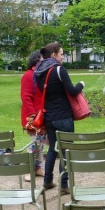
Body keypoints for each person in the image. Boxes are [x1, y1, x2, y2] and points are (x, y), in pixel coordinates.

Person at [34, 43, 85, 194]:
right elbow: (72, 91)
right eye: (61, 54)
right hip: (63, 116)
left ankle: (47, 181)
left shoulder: (39, 71)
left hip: (49, 115)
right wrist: (81, 85)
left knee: (52, 149)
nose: (63, 56)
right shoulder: (58, 70)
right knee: (66, 150)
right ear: (54, 54)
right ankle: (64, 185)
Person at [20, 51, 46, 181]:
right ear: (36, 61)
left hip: (41, 116)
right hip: (33, 117)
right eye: (42, 59)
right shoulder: (28, 75)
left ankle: (38, 168)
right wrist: (32, 116)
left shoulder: (41, 75)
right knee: (35, 144)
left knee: (40, 143)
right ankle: (29, 169)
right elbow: (26, 97)